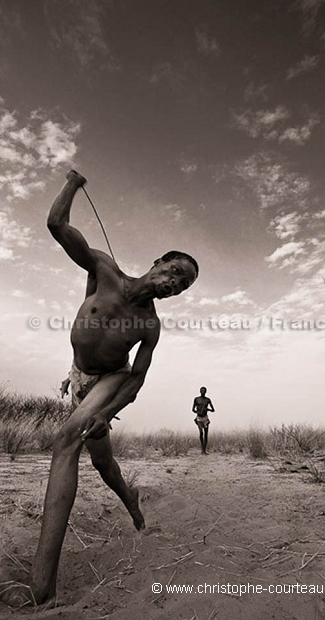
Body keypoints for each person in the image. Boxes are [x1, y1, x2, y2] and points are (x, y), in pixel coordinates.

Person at [30, 170, 199, 604]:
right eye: (175, 272)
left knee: (66, 439)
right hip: (78, 376)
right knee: (104, 467)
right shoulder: (103, 269)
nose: (175, 284)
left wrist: (106, 411)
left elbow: (137, 377)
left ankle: (42, 590)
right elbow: (57, 227)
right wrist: (71, 184)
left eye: (182, 285)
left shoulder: (150, 325)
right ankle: (134, 503)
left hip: (112, 381)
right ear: (158, 262)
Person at [192, 387, 215, 454]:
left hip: (205, 418)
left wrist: (207, 409)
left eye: (204, 391)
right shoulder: (196, 399)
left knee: (206, 434)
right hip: (199, 418)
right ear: (200, 391)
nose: (203, 392)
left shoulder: (207, 400)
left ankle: (204, 450)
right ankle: (202, 448)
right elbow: (193, 409)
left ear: (206, 392)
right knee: (201, 432)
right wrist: (198, 412)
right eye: (202, 391)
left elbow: (213, 410)